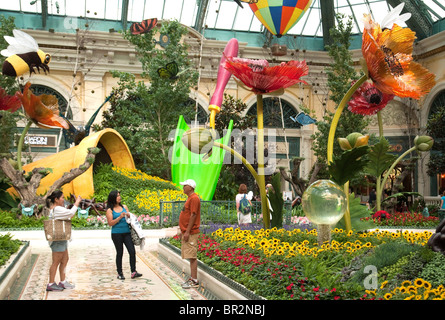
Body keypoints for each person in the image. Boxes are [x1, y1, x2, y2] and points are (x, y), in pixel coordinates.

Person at [46, 190, 81, 291]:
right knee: (56, 262)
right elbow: (71, 213)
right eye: (62, 197)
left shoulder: (58, 209)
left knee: (65, 260)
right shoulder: (57, 209)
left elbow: (70, 215)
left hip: (62, 238)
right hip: (57, 240)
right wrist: (77, 202)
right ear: (56, 199)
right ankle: (51, 283)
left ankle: (63, 281)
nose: (63, 199)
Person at [106, 190, 142, 280]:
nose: (119, 197)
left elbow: (130, 219)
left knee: (132, 251)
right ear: (113, 198)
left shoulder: (124, 207)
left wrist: (129, 216)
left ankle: (133, 271)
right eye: (117, 196)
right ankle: (120, 273)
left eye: (119, 195)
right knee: (120, 253)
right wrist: (119, 217)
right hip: (116, 234)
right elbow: (110, 223)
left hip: (127, 233)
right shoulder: (110, 210)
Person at [179, 179, 201, 289]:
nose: (183, 188)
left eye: (185, 186)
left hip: (191, 232)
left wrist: (187, 231)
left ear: (190, 187)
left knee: (192, 256)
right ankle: (192, 278)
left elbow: (193, 215)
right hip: (187, 231)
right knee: (190, 255)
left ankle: (194, 280)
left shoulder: (194, 198)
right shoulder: (190, 198)